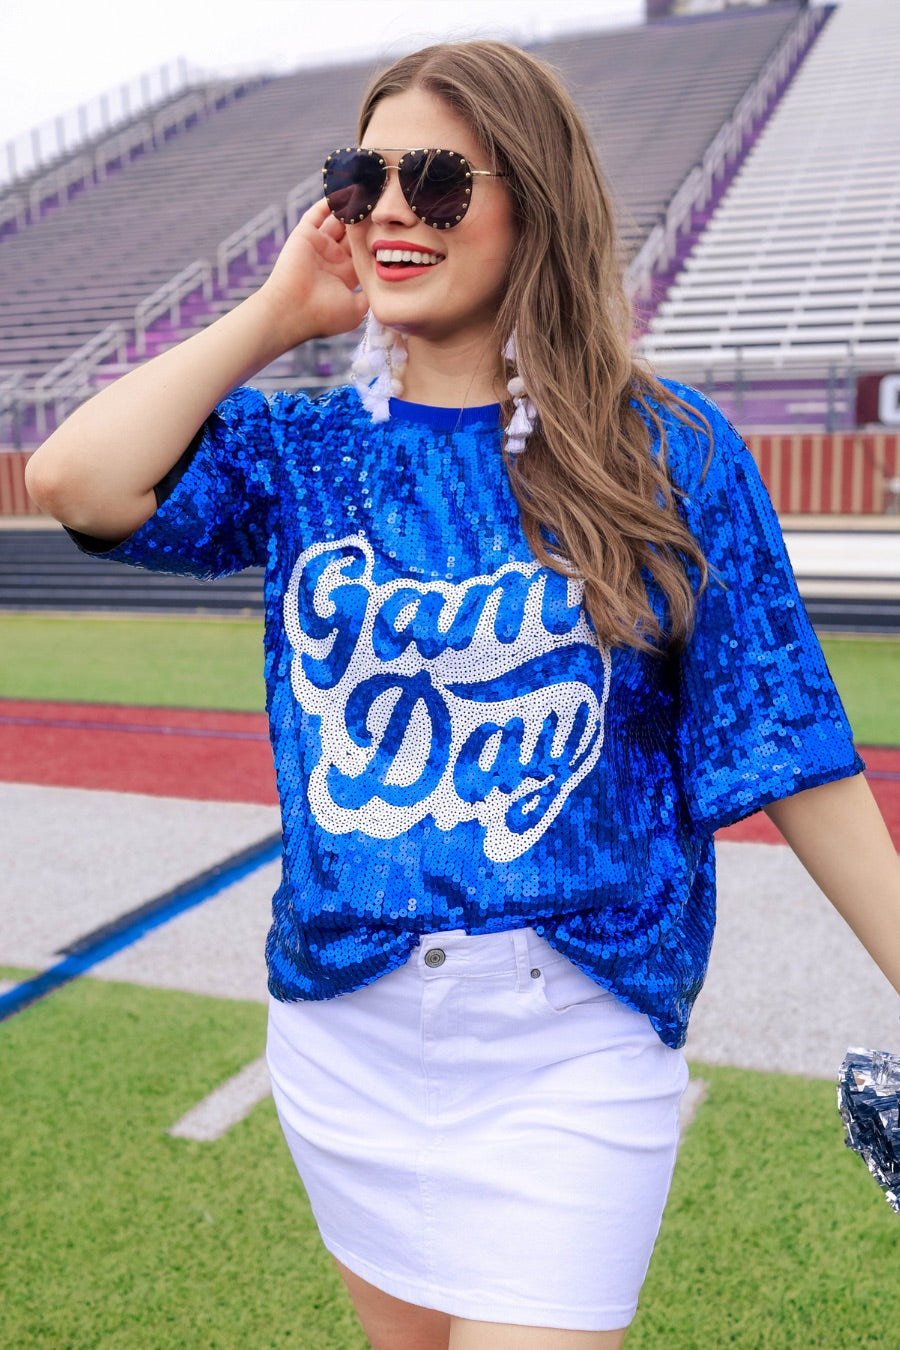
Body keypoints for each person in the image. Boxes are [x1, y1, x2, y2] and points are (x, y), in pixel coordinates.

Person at [26, 39, 900, 1350]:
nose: (388, 207)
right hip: (345, 1036)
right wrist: (274, 316)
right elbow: (76, 482)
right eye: (359, 176)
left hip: (571, 1042)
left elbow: (792, 747)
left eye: (436, 181)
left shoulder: (665, 450)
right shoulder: (307, 447)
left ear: (530, 202)